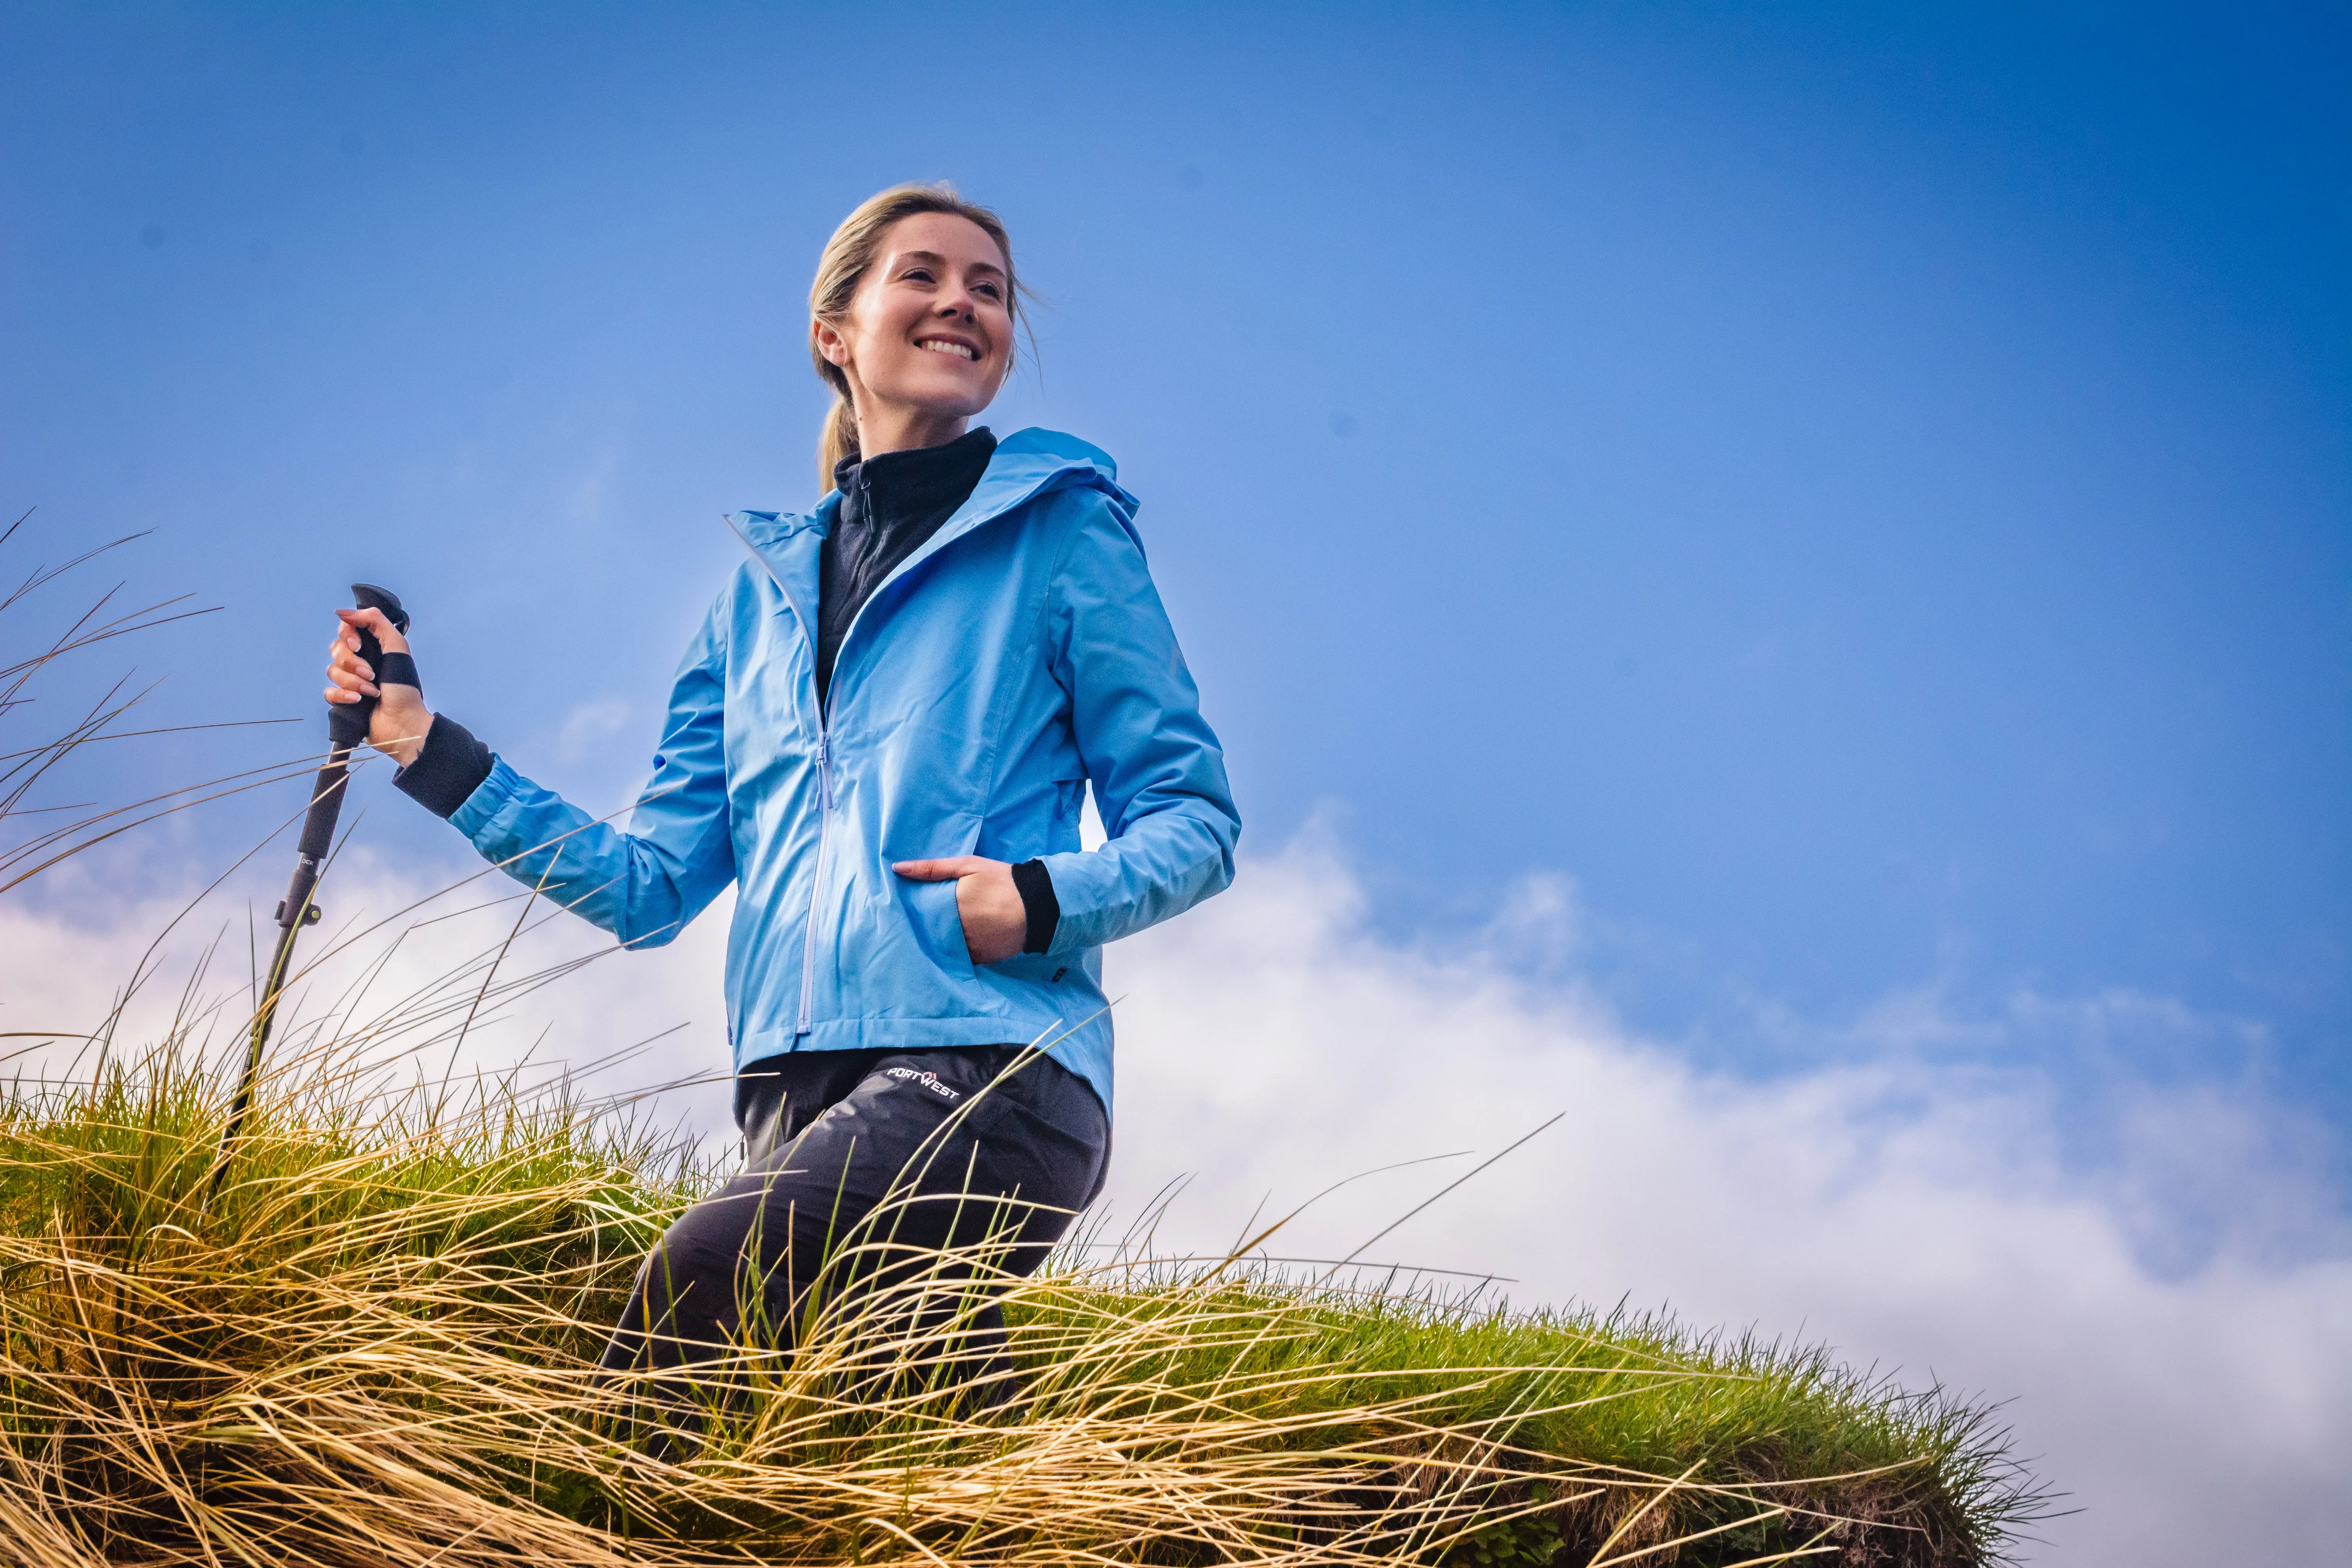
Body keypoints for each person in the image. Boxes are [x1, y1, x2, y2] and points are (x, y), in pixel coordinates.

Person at [324, 182, 1239, 1392]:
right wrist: (422, 745)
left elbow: (1196, 820)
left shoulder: (1065, 541)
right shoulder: (751, 605)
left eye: (990, 289)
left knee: (706, 1275)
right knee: (894, 1436)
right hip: (790, 1102)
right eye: (923, 275)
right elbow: (646, 886)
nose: (961, 302)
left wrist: (1037, 896)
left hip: (989, 1069)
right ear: (834, 332)